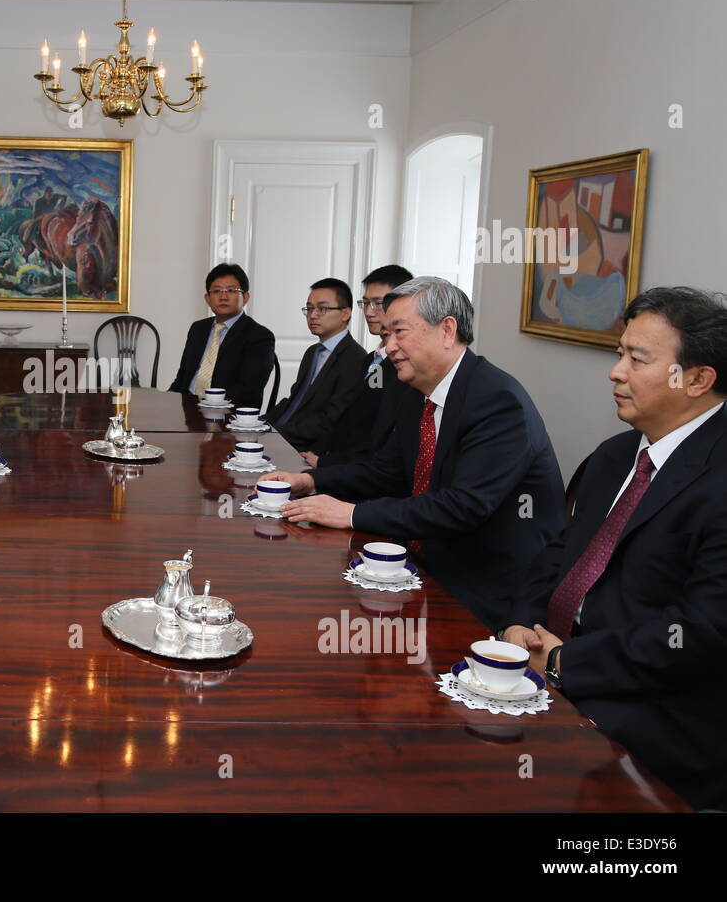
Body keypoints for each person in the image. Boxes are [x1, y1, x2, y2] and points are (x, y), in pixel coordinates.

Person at [499, 287, 727, 811]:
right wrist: (518, 626)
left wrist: (563, 661)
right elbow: (556, 556)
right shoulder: (615, 454)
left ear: (697, 379)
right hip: (557, 661)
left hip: (658, 707)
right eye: (618, 353)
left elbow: (700, 633)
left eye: (636, 359)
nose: (615, 371)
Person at [263, 276, 565, 628]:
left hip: (488, 585)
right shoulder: (415, 389)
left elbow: (461, 506)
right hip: (423, 558)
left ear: (447, 331)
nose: (389, 346)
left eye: (399, 332)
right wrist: (309, 480)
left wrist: (351, 514)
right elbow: (386, 470)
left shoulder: (497, 402)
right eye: (386, 335)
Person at [308, 265, 413, 467]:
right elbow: (347, 418)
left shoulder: (403, 364)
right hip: (341, 460)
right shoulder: (372, 359)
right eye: (365, 303)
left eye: (378, 303)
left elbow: (375, 435)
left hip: (366, 470)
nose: (368, 312)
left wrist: (327, 462)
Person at [266, 278, 367, 454]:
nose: (313, 315)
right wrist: (257, 423)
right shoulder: (313, 352)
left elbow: (329, 420)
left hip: (311, 450)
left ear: (345, 314)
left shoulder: (356, 359)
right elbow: (295, 402)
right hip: (286, 437)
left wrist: (275, 435)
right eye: (310, 308)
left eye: (323, 308)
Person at [168, 263, 275, 410]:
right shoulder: (198, 329)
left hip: (228, 416)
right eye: (217, 291)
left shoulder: (259, 336)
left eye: (231, 290)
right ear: (207, 298)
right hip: (187, 411)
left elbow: (249, 391)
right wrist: (167, 401)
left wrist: (206, 405)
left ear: (245, 297)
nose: (223, 297)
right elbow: (182, 379)